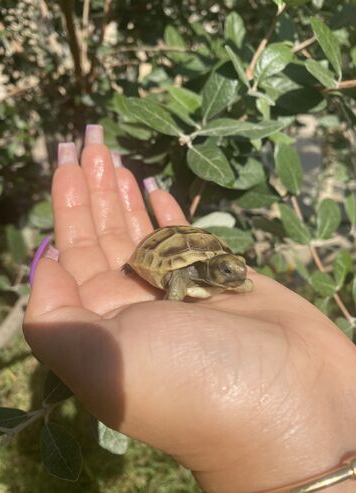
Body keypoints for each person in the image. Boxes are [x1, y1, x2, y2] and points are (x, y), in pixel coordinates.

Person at [23, 124, 356, 493]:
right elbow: (178, 281)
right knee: (181, 280)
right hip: (160, 257)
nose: (236, 276)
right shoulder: (184, 275)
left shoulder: (221, 270)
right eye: (227, 272)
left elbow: (242, 281)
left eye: (234, 269)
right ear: (213, 269)